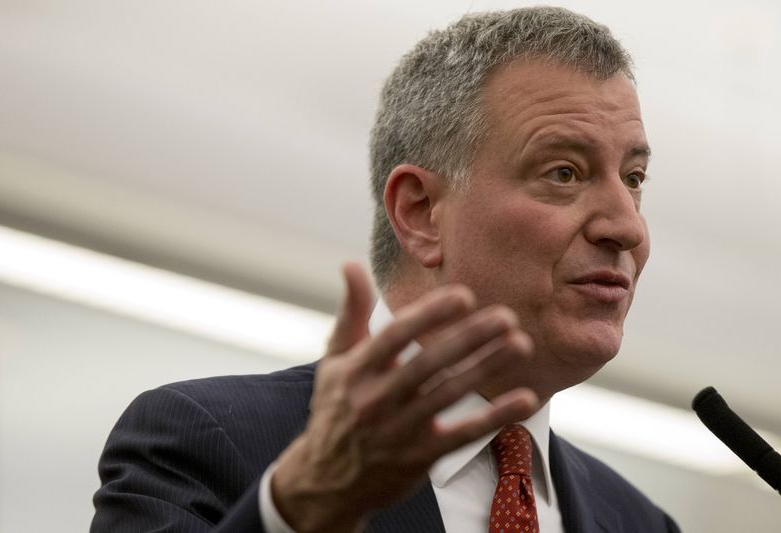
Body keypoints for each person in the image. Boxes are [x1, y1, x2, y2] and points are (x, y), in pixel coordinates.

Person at [92, 7, 680, 532]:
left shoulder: (640, 521)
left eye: (634, 179)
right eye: (564, 173)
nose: (627, 227)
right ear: (421, 212)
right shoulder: (206, 443)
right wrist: (301, 510)